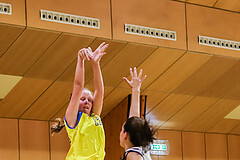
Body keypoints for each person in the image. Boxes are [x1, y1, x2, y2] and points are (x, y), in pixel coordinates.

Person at [51, 42, 109, 160]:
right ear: (75, 102)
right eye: (82, 99)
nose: (87, 102)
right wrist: (80, 60)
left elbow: (99, 91)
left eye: (89, 100)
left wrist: (95, 63)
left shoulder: (94, 116)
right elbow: (78, 86)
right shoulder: (73, 120)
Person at [120, 67, 155, 160]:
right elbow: (134, 122)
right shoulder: (141, 150)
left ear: (125, 135)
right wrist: (136, 90)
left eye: (121, 130)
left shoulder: (133, 155)